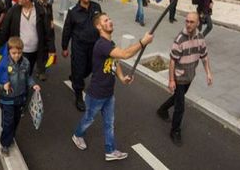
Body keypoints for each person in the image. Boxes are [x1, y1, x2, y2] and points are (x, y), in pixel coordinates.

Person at [71, 13, 154, 161]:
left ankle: (110, 150)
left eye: (110, 19)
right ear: (98, 26)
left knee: (109, 124)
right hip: (96, 94)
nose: (110, 21)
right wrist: (143, 42)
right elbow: (124, 54)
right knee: (89, 119)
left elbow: (115, 61)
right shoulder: (102, 44)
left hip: (109, 94)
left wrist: (122, 78)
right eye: (106, 20)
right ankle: (77, 135)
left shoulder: (110, 44)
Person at [157, 12, 212, 146]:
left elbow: (204, 57)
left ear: (198, 23)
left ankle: (162, 110)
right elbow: (172, 61)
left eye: (191, 22)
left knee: (177, 98)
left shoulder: (200, 38)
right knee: (180, 106)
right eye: (186, 21)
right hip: (179, 77)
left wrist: (208, 73)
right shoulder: (180, 39)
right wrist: (171, 80)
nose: (188, 24)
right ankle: (175, 131)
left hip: (190, 76)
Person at [0, 37, 41, 155]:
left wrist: (33, 85)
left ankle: (10, 135)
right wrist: (3, 86)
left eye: (19, 52)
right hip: (7, 99)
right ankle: (5, 143)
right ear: (9, 51)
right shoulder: (3, 63)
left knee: (16, 120)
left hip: (20, 98)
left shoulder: (26, 62)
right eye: (13, 53)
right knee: (8, 121)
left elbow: (28, 77)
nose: (17, 55)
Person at [62, 0, 103, 112]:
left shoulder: (96, 7)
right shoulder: (73, 11)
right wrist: (64, 47)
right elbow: (67, 30)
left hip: (94, 45)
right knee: (79, 69)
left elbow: (101, 23)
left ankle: (75, 77)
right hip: (79, 46)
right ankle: (78, 95)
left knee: (90, 68)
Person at [0, 0, 48, 76]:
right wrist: (2, 46)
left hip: (35, 50)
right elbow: (5, 28)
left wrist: (51, 48)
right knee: (18, 73)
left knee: (28, 72)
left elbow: (47, 30)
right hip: (19, 49)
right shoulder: (13, 10)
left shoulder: (39, 10)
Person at [35, 0, 56, 81]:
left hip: (48, 30)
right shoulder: (35, 4)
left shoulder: (48, 5)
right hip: (39, 31)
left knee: (48, 51)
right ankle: (41, 71)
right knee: (40, 51)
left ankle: (41, 68)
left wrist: (52, 24)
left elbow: (51, 16)